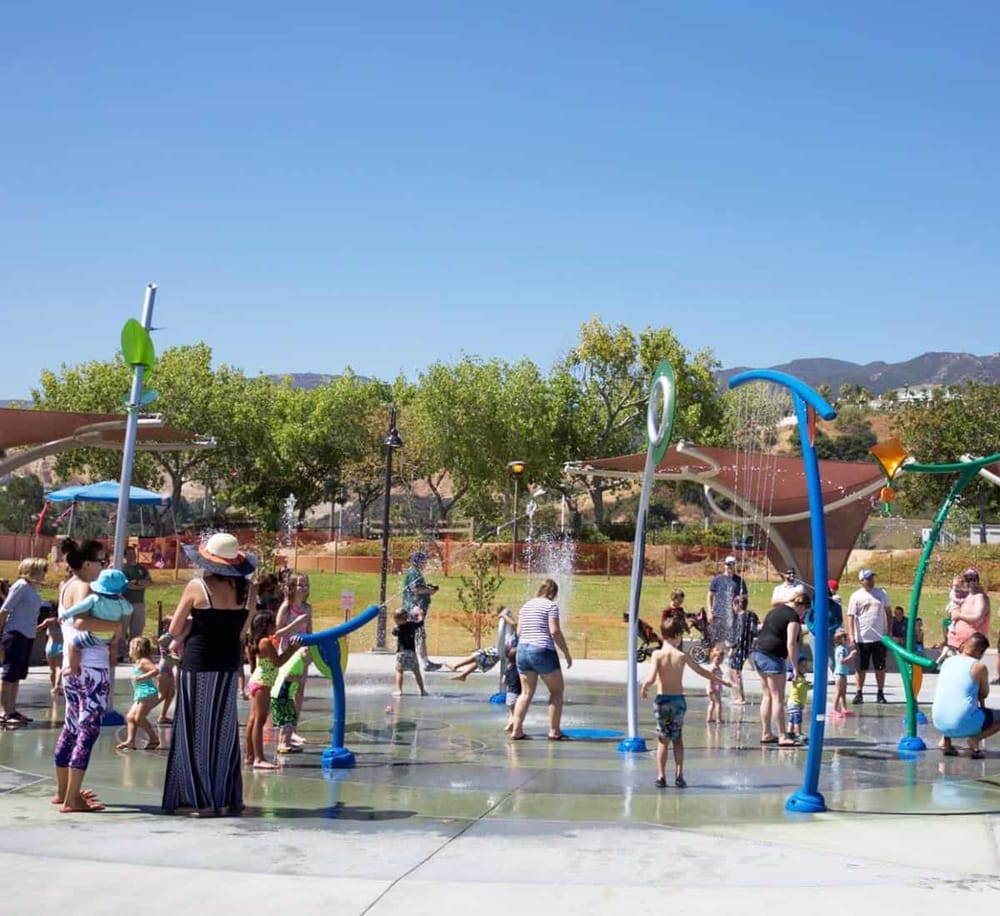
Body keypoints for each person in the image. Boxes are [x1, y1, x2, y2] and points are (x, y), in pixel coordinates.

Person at [162, 533, 256, 816]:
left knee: (194, 730)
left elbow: (176, 630)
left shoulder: (196, 586)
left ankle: (200, 800)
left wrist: (189, 628)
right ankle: (226, 797)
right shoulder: (248, 591)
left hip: (198, 664)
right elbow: (241, 632)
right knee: (224, 732)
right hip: (227, 664)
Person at [53, 539, 119, 813]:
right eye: (102, 562)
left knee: (71, 727)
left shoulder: (66, 584)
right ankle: (72, 799)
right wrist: (114, 626)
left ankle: (64, 790)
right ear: (88, 563)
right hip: (91, 668)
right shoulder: (84, 587)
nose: (105, 567)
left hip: (72, 668)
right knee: (87, 731)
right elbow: (81, 623)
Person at [641, 615, 728, 788]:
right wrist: (722, 681)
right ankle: (680, 775)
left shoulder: (657, 655)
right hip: (678, 702)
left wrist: (645, 687)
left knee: (663, 739)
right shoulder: (682, 656)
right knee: (678, 738)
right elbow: (702, 672)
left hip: (662, 701)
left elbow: (651, 677)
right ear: (677, 636)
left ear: (664, 635)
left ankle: (661, 776)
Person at [509, 579, 573, 741]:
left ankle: (517, 730)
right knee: (557, 692)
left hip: (522, 651)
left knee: (526, 693)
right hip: (542, 650)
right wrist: (566, 652)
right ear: (553, 593)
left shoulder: (526, 606)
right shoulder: (551, 606)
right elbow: (554, 631)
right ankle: (554, 731)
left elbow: (519, 632)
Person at [753, 588, 807, 747]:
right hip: (773, 657)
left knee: (767, 696)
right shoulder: (793, 617)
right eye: (805, 612)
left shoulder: (775, 611)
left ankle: (766, 733)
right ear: (802, 606)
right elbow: (791, 642)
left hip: (759, 653)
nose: (803, 616)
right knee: (778, 697)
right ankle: (783, 736)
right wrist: (795, 667)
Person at [244, 612, 299, 769]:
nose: (275, 626)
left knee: (253, 720)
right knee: (259, 721)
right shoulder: (265, 643)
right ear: (265, 626)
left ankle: (250, 756)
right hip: (263, 684)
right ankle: (259, 758)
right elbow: (278, 662)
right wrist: (292, 649)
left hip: (258, 681)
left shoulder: (257, 641)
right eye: (273, 624)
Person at [932, 633, 1000, 758]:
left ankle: (946, 741)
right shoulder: (978, 666)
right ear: (980, 652)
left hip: (938, 722)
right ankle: (975, 740)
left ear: (963, 646)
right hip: (961, 723)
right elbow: (984, 694)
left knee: (952, 702)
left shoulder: (947, 662)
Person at [0, 557, 48, 727]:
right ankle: (4, 712)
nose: (44, 574)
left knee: (17, 675)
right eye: (42, 570)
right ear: (32, 570)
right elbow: (4, 610)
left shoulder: (31, 588)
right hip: (15, 634)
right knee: (9, 675)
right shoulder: (21, 586)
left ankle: (12, 709)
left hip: (27, 636)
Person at [60, 569, 133, 672]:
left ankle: (73, 668)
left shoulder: (95, 598)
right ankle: (112, 659)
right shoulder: (121, 602)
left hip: (95, 635)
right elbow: (129, 610)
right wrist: (121, 599)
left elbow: (80, 607)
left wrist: (66, 615)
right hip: (111, 634)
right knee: (114, 643)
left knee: (73, 646)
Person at [846, 568, 891, 704]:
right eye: (868, 579)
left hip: (879, 638)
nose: (871, 581)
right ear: (862, 581)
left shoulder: (881, 593)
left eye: (872, 578)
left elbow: (888, 612)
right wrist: (852, 636)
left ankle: (880, 692)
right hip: (862, 638)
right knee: (860, 668)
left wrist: (889, 632)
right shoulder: (856, 596)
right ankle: (859, 693)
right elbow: (850, 617)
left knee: (880, 667)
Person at [116, 637, 161, 751]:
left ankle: (154, 738)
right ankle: (130, 741)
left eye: (131, 647)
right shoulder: (138, 662)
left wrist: (141, 677)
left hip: (148, 693)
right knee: (130, 717)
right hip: (141, 694)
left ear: (138, 649)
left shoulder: (144, 661)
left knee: (139, 718)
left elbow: (155, 670)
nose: (129, 650)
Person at [402, 551, 442, 671]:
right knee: (419, 635)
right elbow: (415, 589)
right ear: (417, 561)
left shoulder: (415, 572)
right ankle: (424, 663)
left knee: (417, 635)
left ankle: (416, 661)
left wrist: (428, 589)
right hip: (414, 609)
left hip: (414, 608)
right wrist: (429, 590)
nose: (425, 563)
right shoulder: (414, 572)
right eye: (423, 561)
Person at [943, 568, 991, 661]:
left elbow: (977, 616)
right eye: (967, 579)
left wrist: (959, 616)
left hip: (971, 644)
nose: (970, 582)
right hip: (960, 643)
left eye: (973, 579)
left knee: (966, 668)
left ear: (977, 580)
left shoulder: (979, 597)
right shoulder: (969, 595)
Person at [272, 647, 310, 755]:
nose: (310, 660)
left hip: (282, 693)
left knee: (287, 720)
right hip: (282, 693)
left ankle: (284, 742)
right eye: (309, 657)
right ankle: (284, 744)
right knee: (287, 720)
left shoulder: (295, 659)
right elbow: (287, 676)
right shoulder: (297, 662)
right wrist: (300, 679)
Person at [706, 556, 747, 645]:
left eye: (732, 564)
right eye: (728, 564)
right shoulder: (717, 579)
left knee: (731, 642)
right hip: (718, 615)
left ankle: (729, 658)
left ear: (735, 566)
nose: (730, 566)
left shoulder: (740, 581)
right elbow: (710, 595)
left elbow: (745, 597)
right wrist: (709, 611)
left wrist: (740, 608)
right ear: (724, 565)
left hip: (733, 616)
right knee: (717, 641)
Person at [120, 545, 153, 658]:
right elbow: (127, 585)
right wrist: (139, 584)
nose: (132, 556)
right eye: (129, 554)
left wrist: (137, 583)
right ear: (125, 556)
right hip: (125, 603)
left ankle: (134, 654)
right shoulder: (123, 569)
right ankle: (121, 652)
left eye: (133, 553)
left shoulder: (142, 568)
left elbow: (149, 582)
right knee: (122, 630)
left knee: (137, 630)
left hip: (139, 603)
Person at [729, 594, 759, 704]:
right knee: (736, 671)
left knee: (736, 672)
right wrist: (752, 645)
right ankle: (738, 695)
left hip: (739, 647)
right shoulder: (752, 615)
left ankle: (740, 697)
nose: (733, 608)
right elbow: (755, 631)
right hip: (747, 647)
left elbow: (738, 635)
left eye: (733, 605)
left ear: (737, 605)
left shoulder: (739, 618)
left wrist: (732, 647)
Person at [392, 608, 428, 697]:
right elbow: (421, 622)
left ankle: (399, 690)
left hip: (401, 653)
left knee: (399, 671)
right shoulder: (412, 625)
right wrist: (420, 614)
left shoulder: (397, 628)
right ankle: (422, 690)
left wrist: (396, 625)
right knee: (416, 672)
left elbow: (394, 633)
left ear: (397, 620)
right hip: (412, 653)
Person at [36, 605, 63, 696]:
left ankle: (53, 687)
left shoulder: (48, 621)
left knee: (52, 670)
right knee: (59, 668)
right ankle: (57, 687)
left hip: (49, 647)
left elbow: (38, 628)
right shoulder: (63, 621)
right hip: (60, 646)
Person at [831, 628, 858, 716]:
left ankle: (844, 708)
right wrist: (851, 656)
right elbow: (841, 660)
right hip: (839, 674)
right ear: (842, 639)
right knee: (838, 692)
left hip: (843, 673)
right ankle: (834, 709)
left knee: (843, 692)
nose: (848, 640)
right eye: (846, 638)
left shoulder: (843, 648)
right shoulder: (840, 649)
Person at [787, 657, 811, 741]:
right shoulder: (796, 677)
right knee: (798, 719)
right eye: (803, 666)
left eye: (806, 666)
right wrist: (805, 684)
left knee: (792, 718)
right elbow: (797, 683)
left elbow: (804, 686)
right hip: (795, 702)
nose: (805, 668)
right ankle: (798, 733)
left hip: (795, 702)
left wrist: (809, 685)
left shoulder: (802, 678)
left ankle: (790, 732)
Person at [502, 643, 521, 733]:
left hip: (509, 694)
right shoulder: (520, 669)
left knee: (511, 712)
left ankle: (510, 723)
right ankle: (513, 724)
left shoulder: (508, 669)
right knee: (517, 713)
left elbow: (503, 681)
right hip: (518, 694)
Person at [706, 645, 725, 724]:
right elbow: (710, 677)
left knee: (712, 703)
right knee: (718, 703)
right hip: (714, 688)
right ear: (712, 658)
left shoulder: (717, 667)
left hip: (714, 687)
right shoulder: (714, 667)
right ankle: (718, 719)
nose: (719, 661)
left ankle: (709, 718)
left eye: (721, 659)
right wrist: (711, 687)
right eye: (717, 659)